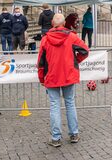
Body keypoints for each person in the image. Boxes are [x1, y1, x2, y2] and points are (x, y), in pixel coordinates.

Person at [38, 13, 89, 147]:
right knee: (70, 104)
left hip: (52, 76)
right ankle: (74, 134)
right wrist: (75, 61)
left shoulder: (45, 39)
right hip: (68, 75)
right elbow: (85, 50)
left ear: (53, 23)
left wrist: (41, 77)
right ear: (63, 23)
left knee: (55, 106)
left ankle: (56, 138)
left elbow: (41, 62)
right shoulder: (72, 36)